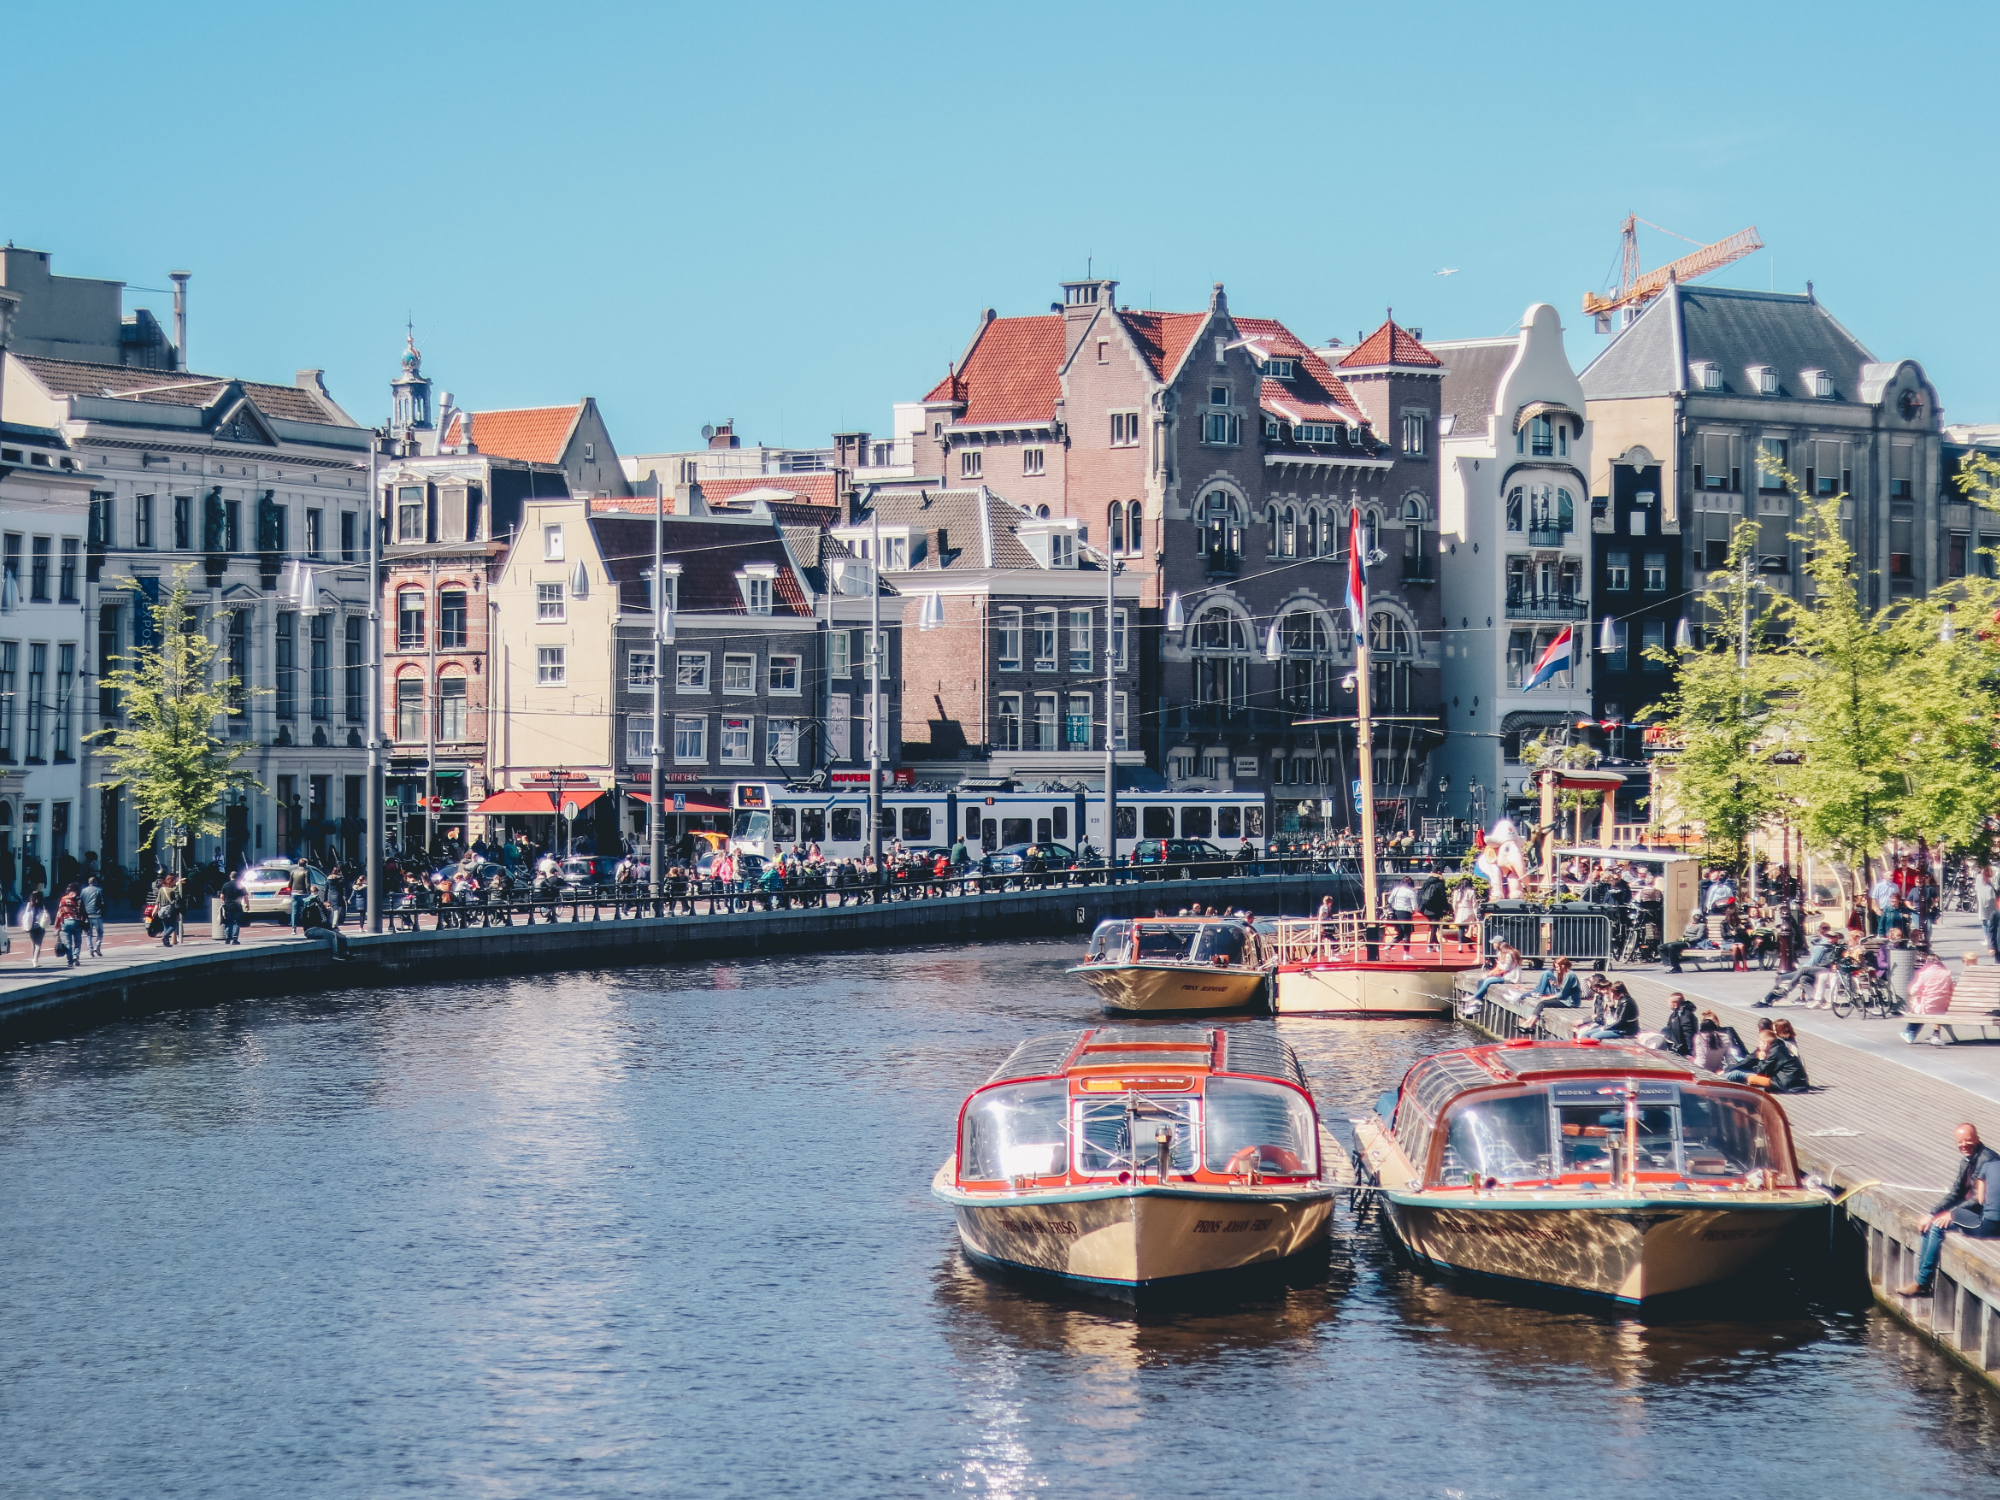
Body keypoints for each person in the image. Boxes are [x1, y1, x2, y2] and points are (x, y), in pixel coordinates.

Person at [1896, 1124, 2000, 1297]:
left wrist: (1952, 1214)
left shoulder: (1988, 1160)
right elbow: (1955, 1193)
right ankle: (1921, 1280)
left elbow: (1979, 1199)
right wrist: (1932, 1213)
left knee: (1937, 1226)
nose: (1964, 1144)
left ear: (1977, 1138)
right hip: (1973, 1212)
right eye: (1960, 1142)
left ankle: (1922, 1282)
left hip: (1984, 1217)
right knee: (1929, 1224)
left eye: (1968, 1140)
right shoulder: (1966, 1161)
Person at [1724, 1017, 1809, 1092]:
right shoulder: (1778, 1046)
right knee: (1744, 1072)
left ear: (1766, 1043)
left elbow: (1760, 1072)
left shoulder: (1774, 1052)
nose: (1758, 1044)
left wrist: (1761, 1058)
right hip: (1797, 1081)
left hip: (1786, 1084)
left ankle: (1719, 1078)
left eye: (1760, 1042)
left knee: (1741, 1074)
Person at [1903, 951, 1958, 1046]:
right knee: (1921, 1006)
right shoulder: (1946, 973)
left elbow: (1914, 991)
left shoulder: (1924, 974)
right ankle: (1934, 1034)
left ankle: (1910, 1032)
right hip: (1942, 1007)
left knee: (1916, 1007)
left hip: (1928, 1007)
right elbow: (1951, 990)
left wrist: (1916, 992)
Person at [1660, 991, 1699, 1056]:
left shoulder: (1684, 1015)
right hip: (1677, 1048)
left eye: (1670, 1002)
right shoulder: (1675, 1015)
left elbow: (1688, 1034)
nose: (1669, 1004)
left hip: (1683, 1051)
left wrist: (1690, 1052)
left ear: (1675, 1004)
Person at [1386, 875, 1419, 948]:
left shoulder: (1396, 889)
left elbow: (1389, 900)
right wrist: (1414, 911)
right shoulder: (1411, 892)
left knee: (1401, 933)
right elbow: (1414, 907)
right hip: (1406, 913)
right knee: (1407, 934)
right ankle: (1406, 954)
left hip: (1396, 913)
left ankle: (1389, 946)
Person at [55, 883, 83, 968]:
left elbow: (59, 913)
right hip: (77, 921)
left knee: (68, 943)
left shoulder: (63, 899)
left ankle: (69, 961)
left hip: (66, 922)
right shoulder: (79, 899)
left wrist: (57, 926)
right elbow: (83, 912)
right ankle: (76, 955)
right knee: (78, 942)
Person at [20, 887, 48, 967]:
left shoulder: (29, 904)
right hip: (40, 925)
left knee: (33, 943)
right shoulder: (42, 904)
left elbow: (25, 915)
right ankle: (35, 960)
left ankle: (34, 959)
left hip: (31, 925)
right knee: (38, 944)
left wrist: (23, 925)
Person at [79, 873, 105, 958]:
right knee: (100, 932)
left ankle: (90, 951)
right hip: (97, 914)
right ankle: (97, 946)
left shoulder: (83, 891)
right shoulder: (99, 890)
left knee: (88, 934)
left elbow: (80, 902)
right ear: (95, 882)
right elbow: (102, 903)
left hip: (87, 915)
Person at [220, 877, 246, 945]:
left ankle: (227, 938)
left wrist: (223, 902)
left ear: (230, 877)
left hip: (228, 906)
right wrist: (247, 904)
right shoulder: (240, 885)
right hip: (237, 906)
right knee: (236, 922)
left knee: (228, 922)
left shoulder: (225, 885)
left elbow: (222, 896)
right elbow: (245, 896)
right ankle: (235, 939)